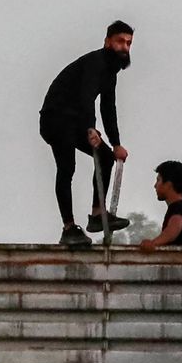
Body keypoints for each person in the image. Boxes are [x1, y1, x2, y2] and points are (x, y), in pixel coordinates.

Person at [39, 21, 134, 247]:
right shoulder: (95, 62)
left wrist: (116, 143)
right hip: (56, 119)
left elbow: (108, 108)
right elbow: (86, 95)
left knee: (107, 156)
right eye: (120, 41)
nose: (125, 47)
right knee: (67, 167)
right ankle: (69, 227)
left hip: (76, 120)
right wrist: (90, 128)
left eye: (129, 43)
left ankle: (97, 214)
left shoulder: (111, 72)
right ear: (107, 42)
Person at [139, 160, 182, 250]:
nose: (155, 185)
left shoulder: (179, 208)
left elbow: (173, 229)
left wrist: (153, 243)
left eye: (158, 180)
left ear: (168, 185)